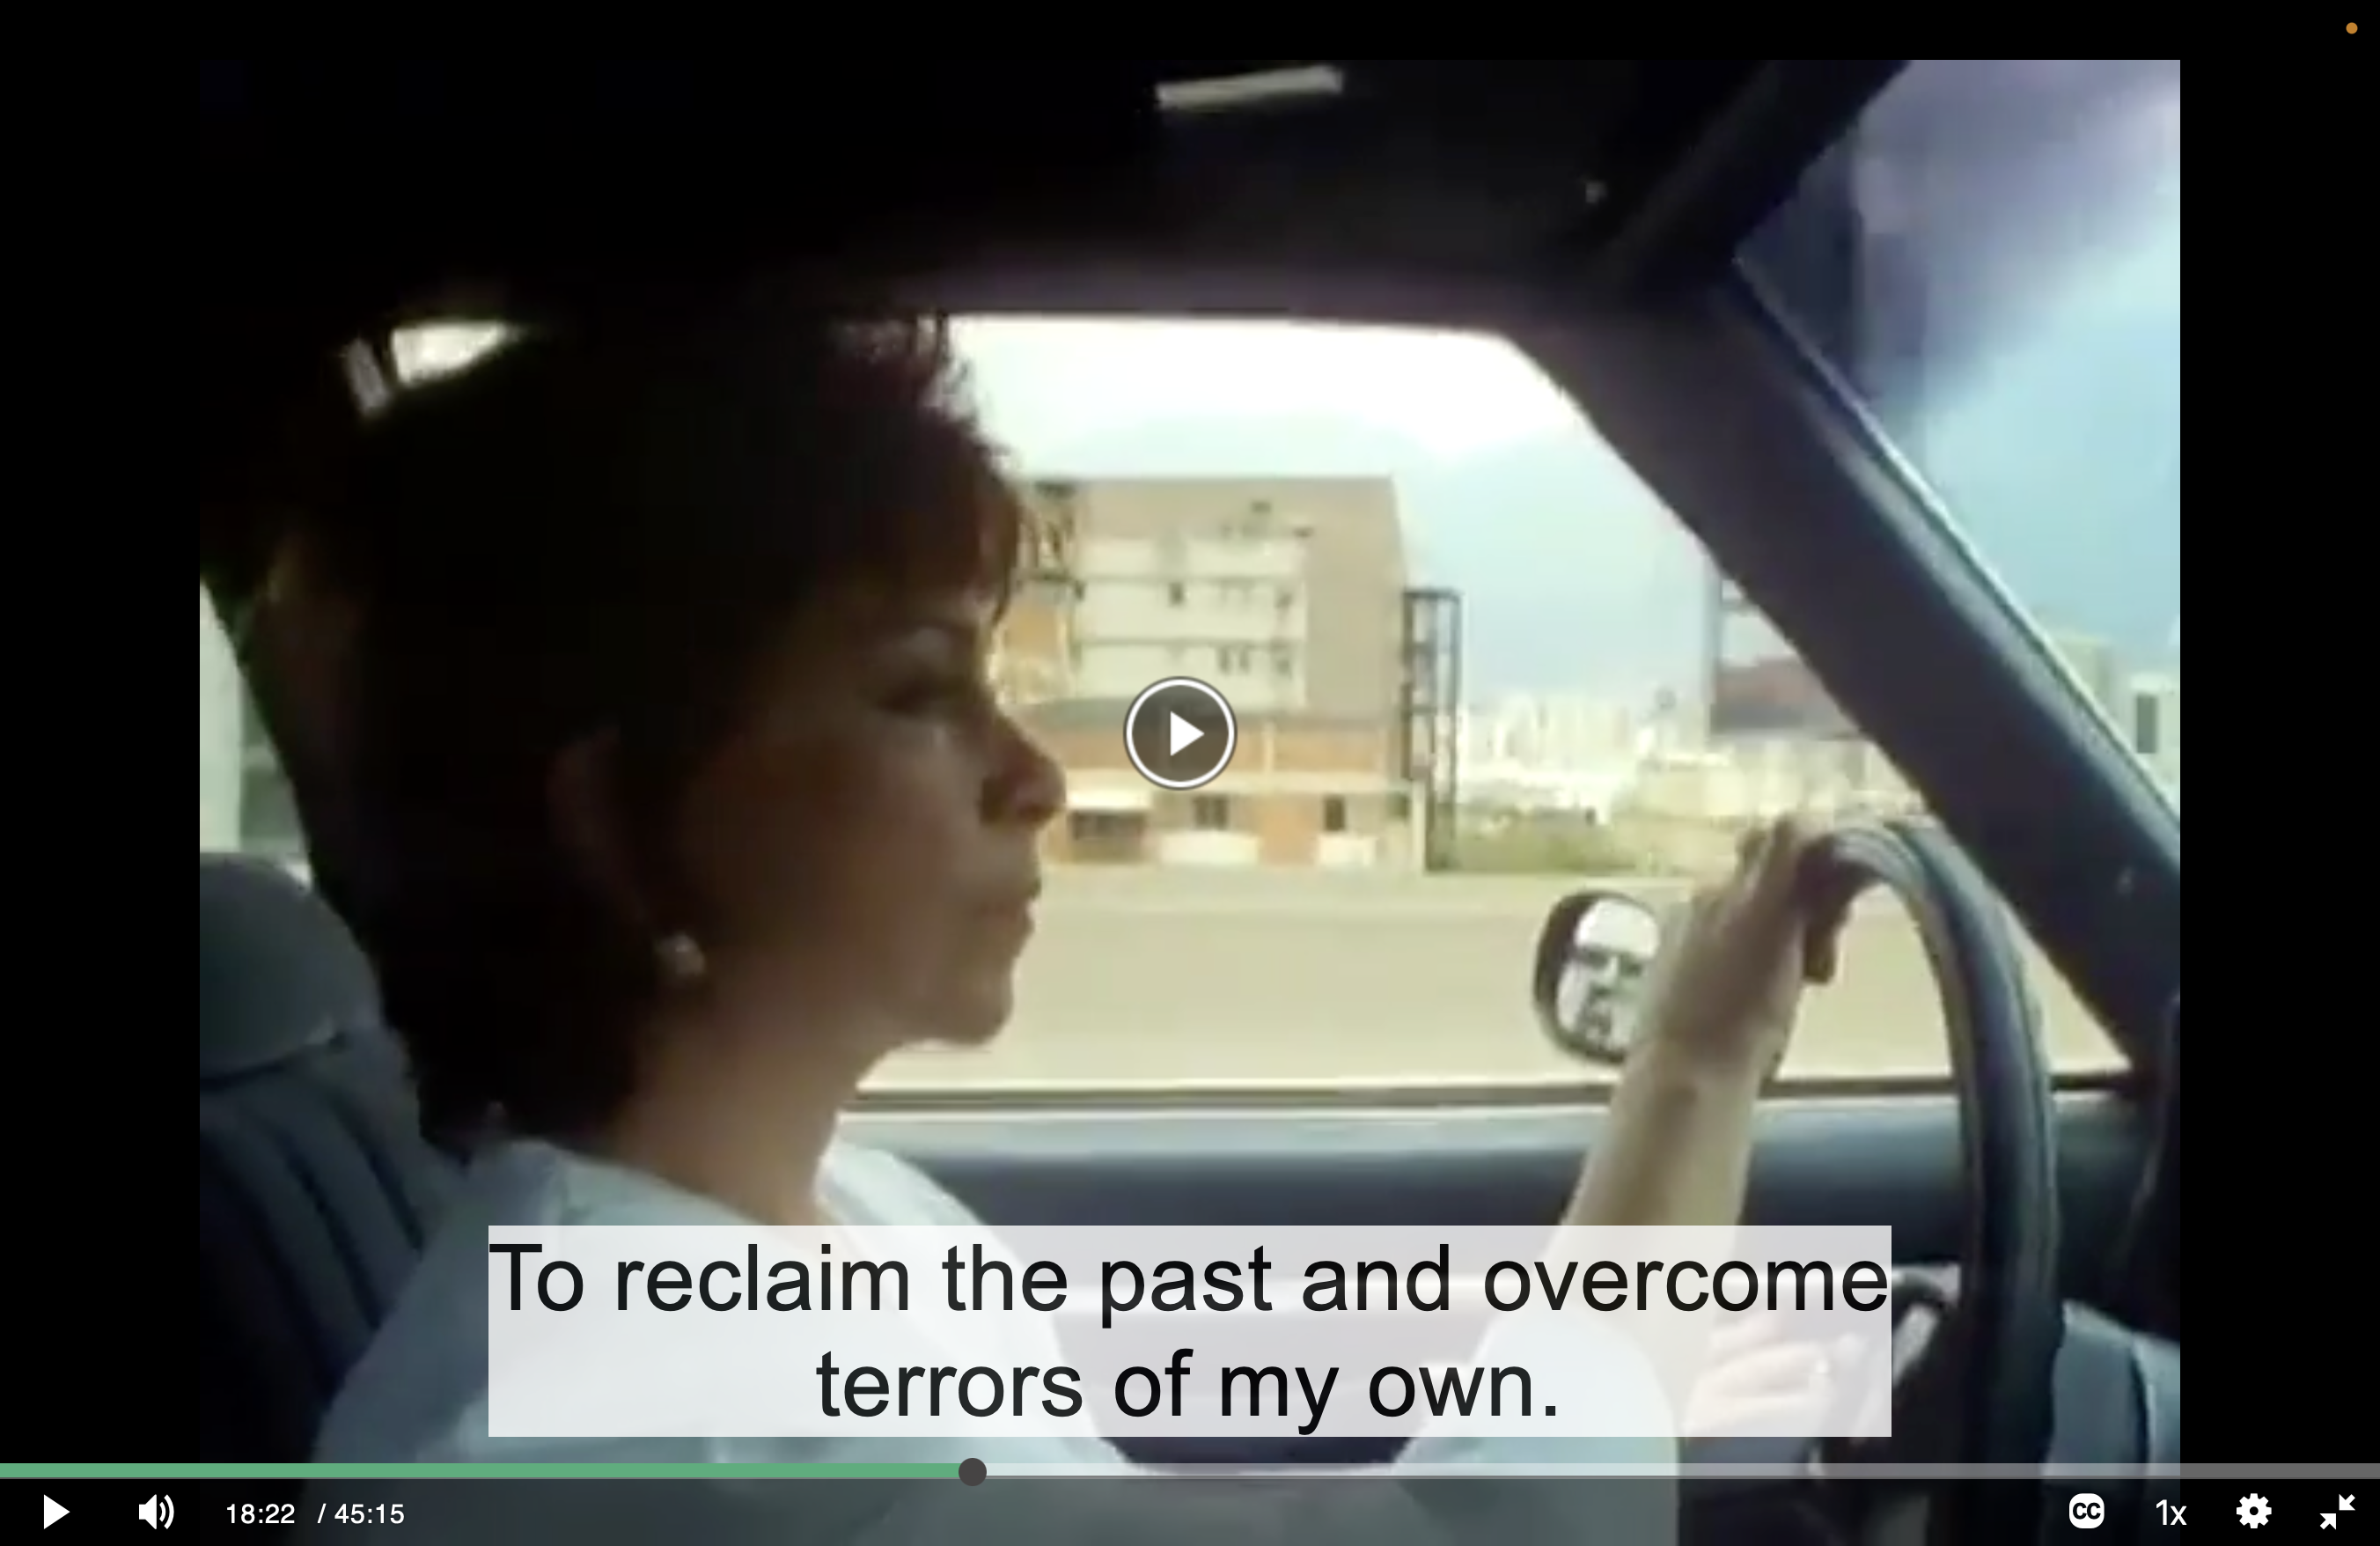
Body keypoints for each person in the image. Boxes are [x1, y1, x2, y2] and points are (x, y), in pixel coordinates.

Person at [247, 300, 1851, 1541]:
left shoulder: (857, 1214)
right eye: (920, 692)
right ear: (615, 822)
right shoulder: (641, 1445)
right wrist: (1698, 1066)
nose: (1031, 778)